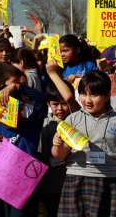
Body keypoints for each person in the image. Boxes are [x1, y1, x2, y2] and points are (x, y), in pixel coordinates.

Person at [51, 71, 116, 216]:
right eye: (83, 94)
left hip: (109, 182)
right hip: (76, 180)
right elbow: (59, 155)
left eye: (94, 95)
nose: (88, 100)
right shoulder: (72, 120)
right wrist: (57, 144)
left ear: (107, 95)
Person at [0, 63, 47, 217]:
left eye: (7, 108)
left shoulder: (32, 125)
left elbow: (42, 99)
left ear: (21, 106)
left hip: (21, 191)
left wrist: (15, 87)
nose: (2, 113)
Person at [37, 60, 80, 217]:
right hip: (49, 184)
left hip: (71, 182)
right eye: (55, 104)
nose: (60, 108)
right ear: (48, 103)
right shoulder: (42, 123)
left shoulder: (77, 118)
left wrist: (53, 73)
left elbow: (71, 100)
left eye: (63, 104)